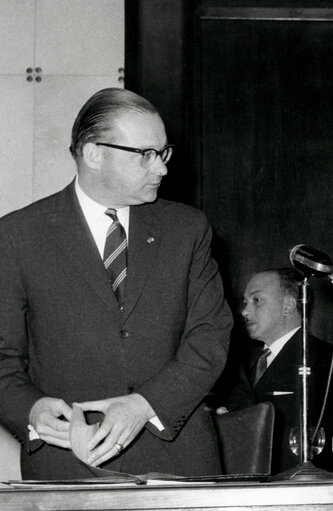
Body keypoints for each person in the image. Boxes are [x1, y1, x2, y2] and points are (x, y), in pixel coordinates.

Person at [0, 88, 233, 479]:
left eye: (163, 153)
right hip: (69, 464)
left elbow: (210, 336)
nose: (161, 169)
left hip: (178, 463)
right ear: (94, 153)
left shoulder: (187, 229)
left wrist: (145, 404)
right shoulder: (18, 235)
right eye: (145, 155)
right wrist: (32, 411)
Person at [216, 267, 333, 475]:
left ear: (288, 306)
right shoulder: (241, 363)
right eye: (245, 302)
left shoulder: (325, 359)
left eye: (256, 300)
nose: (245, 311)